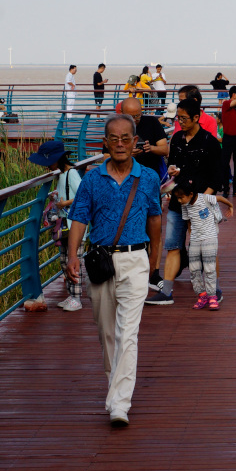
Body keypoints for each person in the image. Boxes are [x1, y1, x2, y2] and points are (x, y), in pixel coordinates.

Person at [66, 115, 161, 427]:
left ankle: (120, 403)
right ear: (105, 143)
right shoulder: (92, 179)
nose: (120, 144)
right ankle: (114, 389)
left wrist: (154, 260)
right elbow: (79, 218)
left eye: (126, 138)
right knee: (106, 333)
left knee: (127, 333)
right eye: (114, 139)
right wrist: (72, 256)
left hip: (135, 260)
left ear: (135, 142)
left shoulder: (148, 177)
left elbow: (155, 219)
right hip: (100, 262)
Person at [146, 99, 221, 305]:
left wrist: (203, 200)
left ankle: (214, 289)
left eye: (184, 118)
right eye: (178, 118)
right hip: (178, 202)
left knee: (207, 247)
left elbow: (217, 177)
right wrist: (172, 170)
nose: (180, 121)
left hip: (200, 203)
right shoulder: (177, 139)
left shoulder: (209, 142)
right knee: (173, 246)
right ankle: (166, 292)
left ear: (196, 117)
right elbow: (172, 164)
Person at [29, 140, 85, 312]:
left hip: (74, 225)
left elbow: (83, 195)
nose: (47, 167)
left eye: (48, 162)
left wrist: (64, 204)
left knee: (73, 261)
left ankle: (77, 298)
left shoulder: (71, 174)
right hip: (65, 226)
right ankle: (71, 295)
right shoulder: (61, 175)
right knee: (64, 261)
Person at [171, 175, 233, 311]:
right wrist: (191, 237)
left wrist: (231, 206)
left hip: (209, 238)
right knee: (194, 269)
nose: (179, 200)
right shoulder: (185, 206)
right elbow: (188, 222)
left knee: (209, 268)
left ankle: (212, 296)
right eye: (178, 198)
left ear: (190, 194)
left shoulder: (205, 198)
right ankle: (202, 295)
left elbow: (220, 198)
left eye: (181, 197)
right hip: (195, 240)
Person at [120, 98, 168, 180]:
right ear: (122, 113)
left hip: (150, 177)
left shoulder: (152, 122)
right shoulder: (115, 127)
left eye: (137, 116)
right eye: (130, 117)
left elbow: (165, 150)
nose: (134, 120)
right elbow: (107, 157)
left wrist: (150, 148)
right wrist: (127, 155)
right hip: (125, 178)